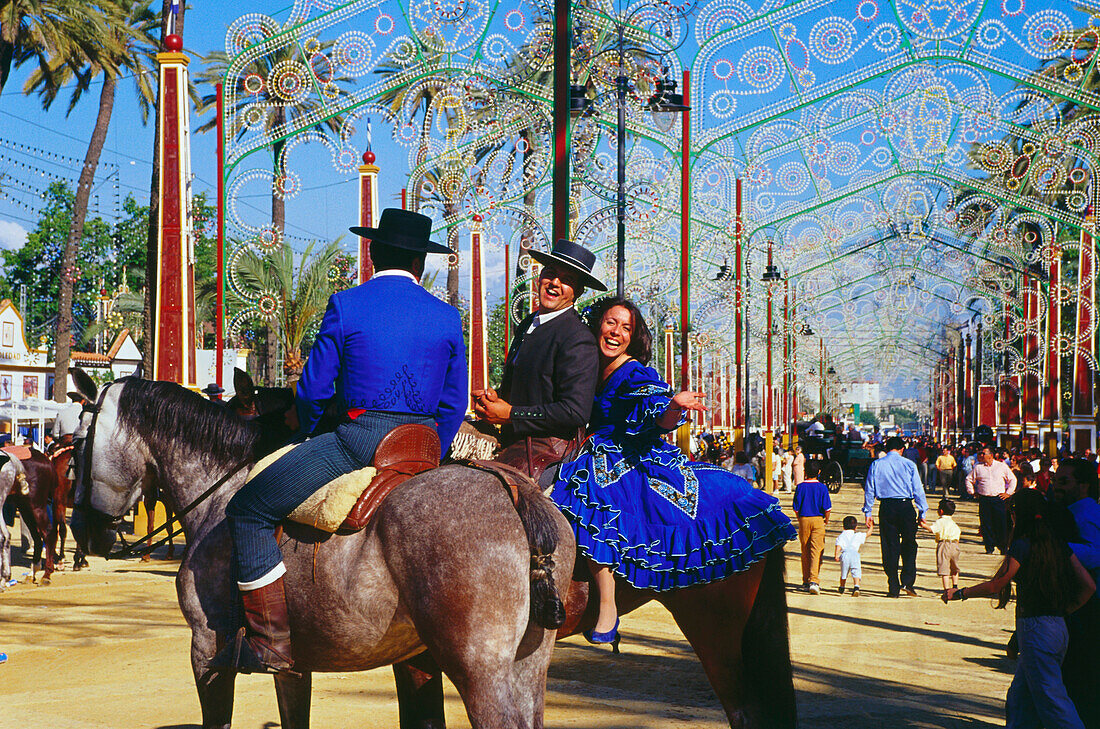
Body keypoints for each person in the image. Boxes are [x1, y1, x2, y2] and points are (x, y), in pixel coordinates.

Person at [213, 209, 467, 675]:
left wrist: (308, 431)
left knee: (247, 510)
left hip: (358, 441)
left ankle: (271, 643)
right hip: (424, 444)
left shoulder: (347, 304)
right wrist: (432, 448)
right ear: (419, 261)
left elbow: (313, 391)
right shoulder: (448, 316)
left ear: (373, 252)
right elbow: (454, 403)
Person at [550, 296, 796, 648]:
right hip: (594, 442)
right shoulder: (592, 366)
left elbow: (653, 410)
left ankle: (607, 604)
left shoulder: (634, 371)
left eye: (626, 328)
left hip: (622, 452)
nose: (616, 332)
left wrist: (672, 408)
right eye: (610, 323)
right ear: (597, 325)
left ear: (633, 337)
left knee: (594, 494)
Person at [943, 490, 1095, 729]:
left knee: (1053, 700)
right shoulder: (1057, 544)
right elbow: (1088, 586)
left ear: (1017, 513)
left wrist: (961, 593)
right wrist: (1065, 611)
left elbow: (997, 584)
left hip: (1036, 628)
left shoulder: (1023, 545)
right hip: (1056, 627)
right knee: (1020, 697)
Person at [473, 239, 603, 473]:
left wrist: (511, 414)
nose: (555, 283)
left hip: (549, 452)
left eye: (567, 280)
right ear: (540, 276)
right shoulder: (527, 324)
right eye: (551, 273)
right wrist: (495, 399)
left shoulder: (577, 338)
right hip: (515, 441)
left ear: (578, 292)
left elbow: (574, 411)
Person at [1048, 459, 1100, 727]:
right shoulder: (1071, 510)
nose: (1057, 486)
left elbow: (1096, 552)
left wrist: (1054, 548)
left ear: (1083, 485)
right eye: (1055, 480)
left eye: (1064, 481)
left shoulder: (1086, 512)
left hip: (1087, 607)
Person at [863, 436, 929, 597]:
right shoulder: (909, 464)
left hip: (887, 508)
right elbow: (918, 489)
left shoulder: (877, 464)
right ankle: (907, 581)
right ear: (901, 449)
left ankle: (893, 585)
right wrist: (922, 511)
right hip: (906, 507)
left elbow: (869, 489)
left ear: (886, 449)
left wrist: (868, 512)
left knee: (889, 545)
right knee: (909, 543)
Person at [966, 446, 1018, 554]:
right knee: (986, 523)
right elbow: (969, 479)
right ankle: (989, 547)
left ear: (991, 455)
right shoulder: (978, 467)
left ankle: (1003, 547)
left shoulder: (1001, 466)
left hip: (999, 499)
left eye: (983, 453)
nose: (981, 456)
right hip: (984, 498)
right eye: (980, 453)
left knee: (1001, 523)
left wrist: (1008, 493)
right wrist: (972, 492)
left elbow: (1013, 479)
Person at [793, 460, 831, 594]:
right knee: (817, 550)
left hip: (803, 519)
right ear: (819, 472)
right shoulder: (822, 488)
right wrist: (826, 520)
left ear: (805, 472)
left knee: (805, 550)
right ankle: (814, 580)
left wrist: (800, 519)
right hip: (818, 519)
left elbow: (796, 508)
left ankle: (805, 580)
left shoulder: (800, 487)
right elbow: (827, 508)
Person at [921, 497, 961, 595]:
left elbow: (932, 529)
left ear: (941, 511)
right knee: (954, 567)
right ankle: (955, 585)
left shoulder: (941, 521)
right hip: (955, 545)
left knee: (944, 567)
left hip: (944, 544)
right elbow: (958, 534)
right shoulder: (953, 523)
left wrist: (923, 525)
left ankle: (946, 589)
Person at [834, 515, 870, 596]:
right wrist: (871, 526)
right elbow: (868, 534)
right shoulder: (858, 535)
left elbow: (838, 545)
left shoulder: (842, 536)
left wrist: (836, 554)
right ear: (855, 527)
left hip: (845, 555)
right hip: (855, 554)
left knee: (844, 571)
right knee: (856, 571)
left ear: (843, 527)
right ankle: (856, 587)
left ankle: (842, 586)